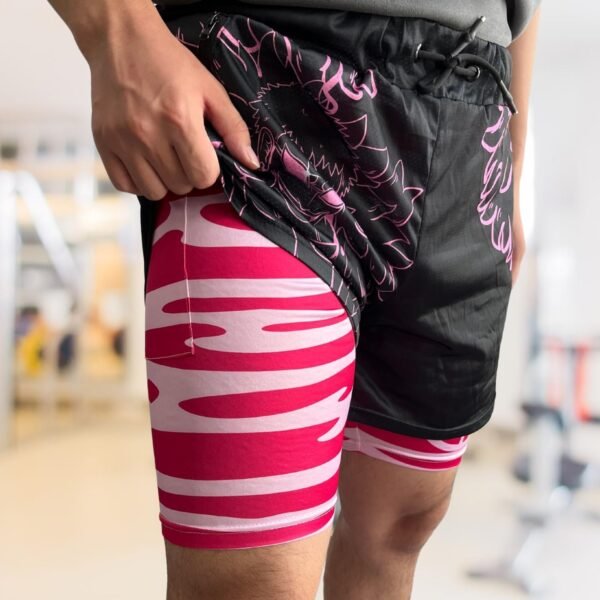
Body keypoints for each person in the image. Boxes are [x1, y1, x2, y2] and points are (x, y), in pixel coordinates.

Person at [47, 0, 543, 598]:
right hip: (261, 85)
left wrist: (514, 157)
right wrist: (116, 34)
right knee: (250, 577)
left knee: (399, 528)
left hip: (469, 116)